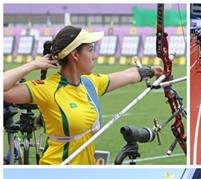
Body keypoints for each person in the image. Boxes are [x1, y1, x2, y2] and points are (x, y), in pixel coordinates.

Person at [3, 26, 162, 165]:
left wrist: (153, 71)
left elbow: (128, 75)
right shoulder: (48, 89)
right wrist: (33, 65)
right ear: (75, 55)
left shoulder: (90, 82)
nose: (95, 56)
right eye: (90, 49)